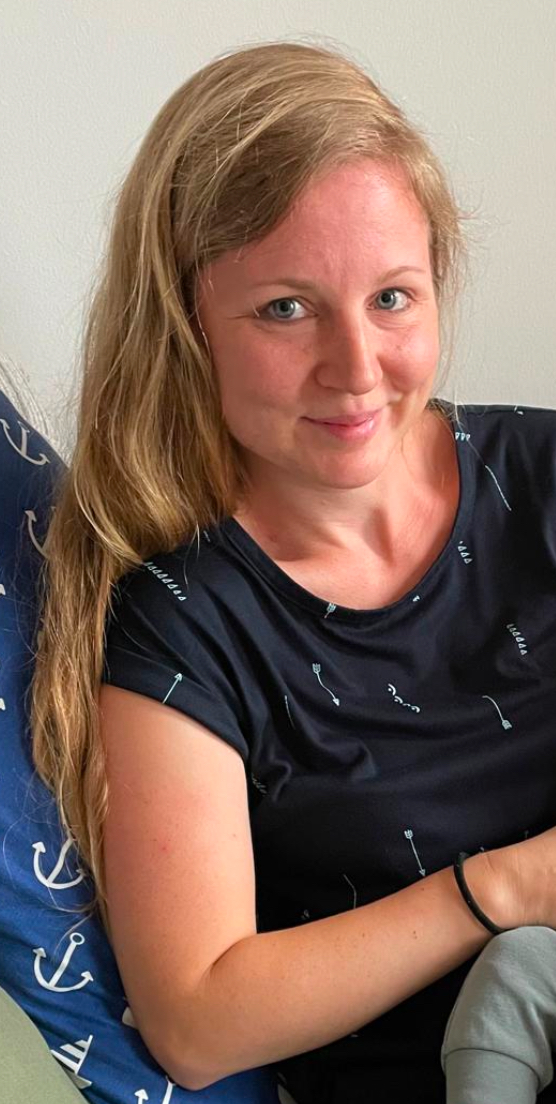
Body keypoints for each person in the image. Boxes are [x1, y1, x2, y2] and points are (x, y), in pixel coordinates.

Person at [30, 38, 556, 1104]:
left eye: (392, 298)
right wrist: (504, 889)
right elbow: (196, 1021)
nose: (356, 369)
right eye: (286, 308)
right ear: (187, 327)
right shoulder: (182, 623)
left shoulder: (543, 479)